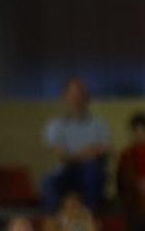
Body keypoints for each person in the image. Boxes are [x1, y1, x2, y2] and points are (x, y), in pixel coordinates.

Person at [42, 77, 110, 212]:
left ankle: (90, 221)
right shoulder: (55, 126)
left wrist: (74, 155)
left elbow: (101, 151)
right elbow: (61, 155)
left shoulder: (99, 125)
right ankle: (56, 226)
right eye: (72, 94)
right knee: (48, 182)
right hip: (65, 172)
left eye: (80, 94)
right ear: (65, 97)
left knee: (92, 172)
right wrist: (85, 153)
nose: (76, 98)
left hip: (91, 171)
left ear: (86, 97)